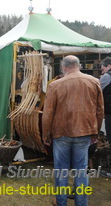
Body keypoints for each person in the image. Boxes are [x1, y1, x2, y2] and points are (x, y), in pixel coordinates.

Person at [42, 55, 104, 206]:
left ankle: (61, 203)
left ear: (64, 67)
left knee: (61, 171)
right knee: (81, 171)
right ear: (79, 66)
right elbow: (100, 110)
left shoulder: (55, 85)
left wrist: (46, 135)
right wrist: (95, 133)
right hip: (84, 132)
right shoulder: (94, 82)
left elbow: (48, 113)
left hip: (61, 133)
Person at [99, 56, 111, 178]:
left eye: (103, 70)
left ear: (109, 66)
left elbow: (95, 89)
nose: (102, 73)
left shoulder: (107, 76)